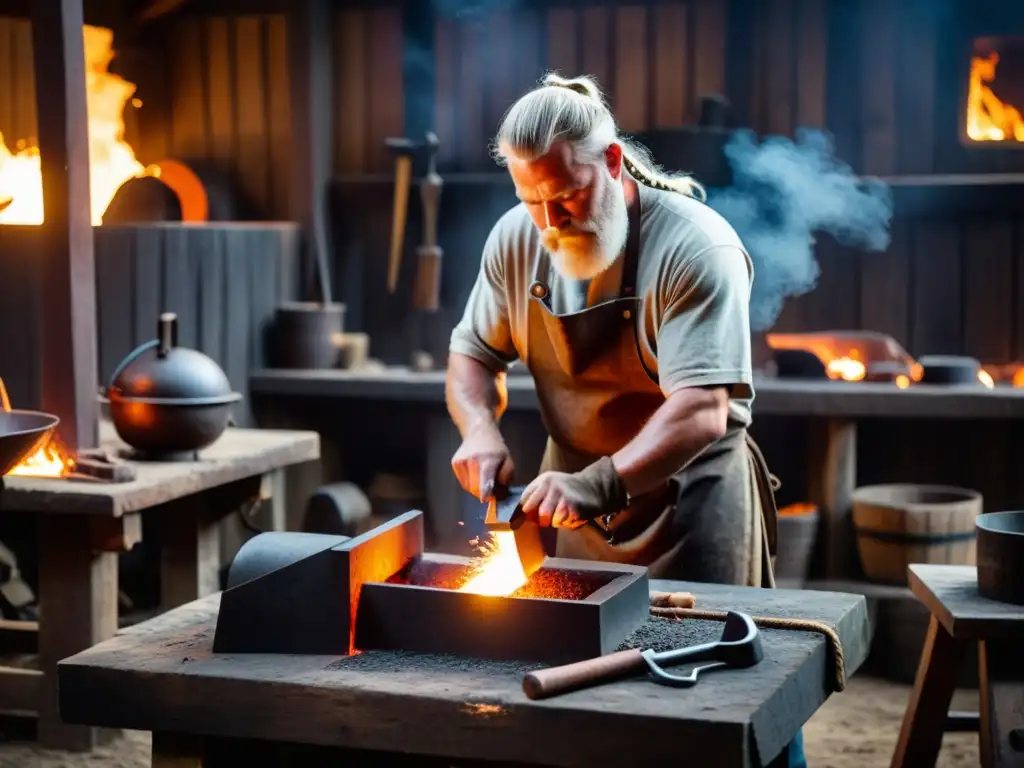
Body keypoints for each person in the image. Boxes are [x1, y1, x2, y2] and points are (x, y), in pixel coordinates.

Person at [445, 72, 807, 768]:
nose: (550, 223)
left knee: (729, 694)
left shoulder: (698, 247)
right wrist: (480, 430)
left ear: (612, 162)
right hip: (572, 502)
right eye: (532, 201)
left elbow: (702, 409)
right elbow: (470, 357)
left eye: (567, 197)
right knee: (585, 697)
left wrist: (599, 485)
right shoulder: (518, 239)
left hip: (689, 502)